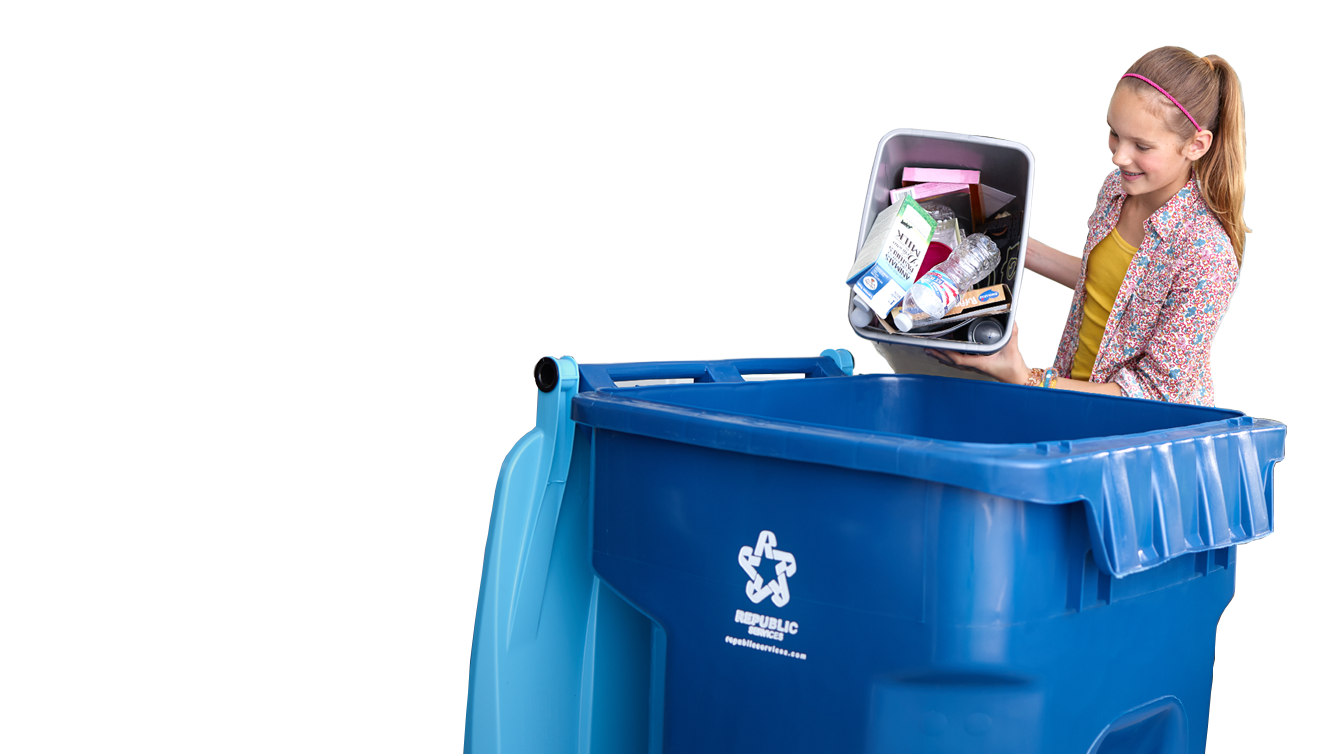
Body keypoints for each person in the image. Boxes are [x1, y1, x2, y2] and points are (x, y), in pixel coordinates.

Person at [932, 47, 1246, 407]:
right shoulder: (1118, 189)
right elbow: (1104, 282)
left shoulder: (1207, 256)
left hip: (1134, 436)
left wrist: (1027, 378)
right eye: (1115, 134)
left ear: (1196, 145)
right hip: (1071, 397)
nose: (1118, 156)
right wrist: (1009, 240)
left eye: (1141, 145)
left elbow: (1155, 395)